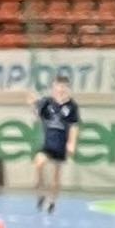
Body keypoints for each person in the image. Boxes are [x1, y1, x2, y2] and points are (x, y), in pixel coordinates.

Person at [35, 71, 80, 212]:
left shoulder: (71, 106)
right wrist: (32, 105)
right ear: (54, 87)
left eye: (63, 86)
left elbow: (74, 126)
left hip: (60, 144)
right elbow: (38, 115)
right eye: (58, 86)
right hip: (48, 142)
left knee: (56, 176)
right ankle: (41, 191)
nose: (61, 89)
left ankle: (52, 200)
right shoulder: (47, 102)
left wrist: (71, 143)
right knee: (39, 163)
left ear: (67, 88)